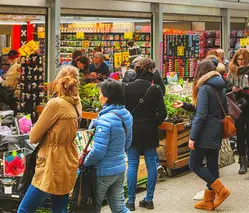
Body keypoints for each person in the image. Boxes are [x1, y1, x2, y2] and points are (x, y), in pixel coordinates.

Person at [17, 66, 82, 213]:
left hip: (51, 162)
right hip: (68, 159)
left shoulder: (56, 104)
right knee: (59, 208)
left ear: (58, 81)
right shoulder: (76, 103)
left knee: (24, 209)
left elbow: (33, 137)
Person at [84, 80, 133, 213]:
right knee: (119, 208)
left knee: (93, 208)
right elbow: (127, 143)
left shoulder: (105, 120)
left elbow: (98, 151)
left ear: (106, 97)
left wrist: (85, 163)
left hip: (103, 171)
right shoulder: (126, 115)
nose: (99, 97)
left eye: (100, 94)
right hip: (119, 168)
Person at [124, 59, 167, 211]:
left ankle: (130, 201)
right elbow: (163, 113)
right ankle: (149, 199)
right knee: (151, 164)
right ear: (150, 70)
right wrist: (153, 122)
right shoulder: (154, 89)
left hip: (132, 130)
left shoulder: (127, 87)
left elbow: (123, 110)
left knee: (133, 165)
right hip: (150, 130)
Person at [189, 59, 231, 211]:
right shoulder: (220, 86)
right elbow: (225, 109)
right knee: (212, 165)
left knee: (194, 164)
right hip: (217, 129)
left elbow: (201, 115)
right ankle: (209, 202)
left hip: (205, 130)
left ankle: (221, 190)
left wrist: (192, 137)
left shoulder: (205, 88)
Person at [227, 48, 249, 174]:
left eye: (243, 59)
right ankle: (242, 161)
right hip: (238, 102)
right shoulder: (232, 69)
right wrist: (232, 88)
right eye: (238, 59)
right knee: (240, 132)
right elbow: (226, 86)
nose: (240, 62)